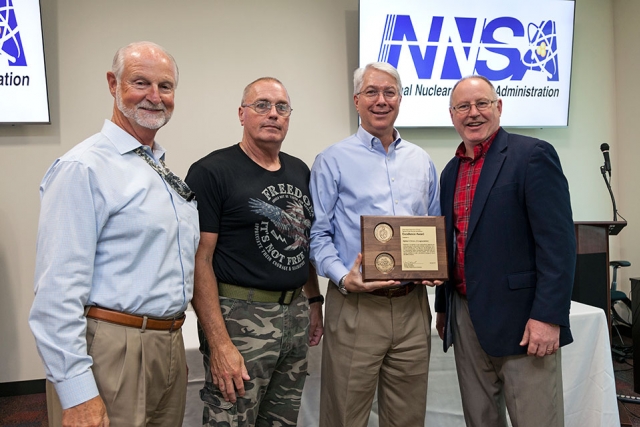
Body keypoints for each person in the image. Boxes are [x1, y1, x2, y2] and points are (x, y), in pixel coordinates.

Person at [29, 41, 199, 427]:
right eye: (141, 83)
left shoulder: (158, 170)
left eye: (166, 87)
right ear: (113, 83)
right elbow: (57, 292)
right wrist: (77, 393)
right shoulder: (83, 168)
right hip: (112, 350)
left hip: (168, 345)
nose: (155, 97)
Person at [435, 75, 576, 427]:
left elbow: (557, 244)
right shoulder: (450, 172)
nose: (473, 113)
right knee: (479, 420)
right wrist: (443, 308)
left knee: (536, 420)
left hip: (524, 321)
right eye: (463, 106)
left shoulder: (531, 155)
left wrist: (548, 316)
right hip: (465, 317)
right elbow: (451, 244)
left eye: (482, 103)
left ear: (499, 107)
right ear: (452, 115)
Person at [185, 77, 323, 427]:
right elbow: (199, 261)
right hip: (240, 320)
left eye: (282, 107)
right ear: (241, 114)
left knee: (282, 421)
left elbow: (301, 241)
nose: (272, 114)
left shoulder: (299, 170)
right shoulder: (211, 172)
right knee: (231, 419)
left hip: (294, 315)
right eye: (261, 105)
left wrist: (314, 300)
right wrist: (218, 343)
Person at [309, 62, 441, 427]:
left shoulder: (422, 162)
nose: (380, 100)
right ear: (356, 100)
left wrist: (435, 267)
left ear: (400, 99)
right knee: (344, 416)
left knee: (408, 417)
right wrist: (342, 277)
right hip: (355, 307)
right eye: (371, 92)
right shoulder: (332, 160)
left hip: (413, 306)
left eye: (389, 92)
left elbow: (434, 231)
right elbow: (317, 237)